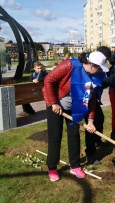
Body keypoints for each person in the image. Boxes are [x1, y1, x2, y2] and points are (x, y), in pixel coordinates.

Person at [43, 51, 108, 181]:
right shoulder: (69, 66)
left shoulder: (93, 76)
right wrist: (54, 103)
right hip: (57, 105)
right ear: (92, 65)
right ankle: (52, 168)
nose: (100, 71)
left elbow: (91, 100)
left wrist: (90, 121)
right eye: (100, 68)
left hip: (75, 108)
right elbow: (48, 80)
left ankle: (75, 166)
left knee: (74, 136)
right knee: (55, 136)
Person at [84, 46, 115, 165]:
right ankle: (90, 154)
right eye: (105, 59)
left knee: (100, 118)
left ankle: (97, 140)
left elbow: (104, 76)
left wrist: (113, 69)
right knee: (91, 126)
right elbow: (102, 83)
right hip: (85, 100)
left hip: (93, 98)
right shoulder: (90, 68)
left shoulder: (96, 67)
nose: (105, 61)